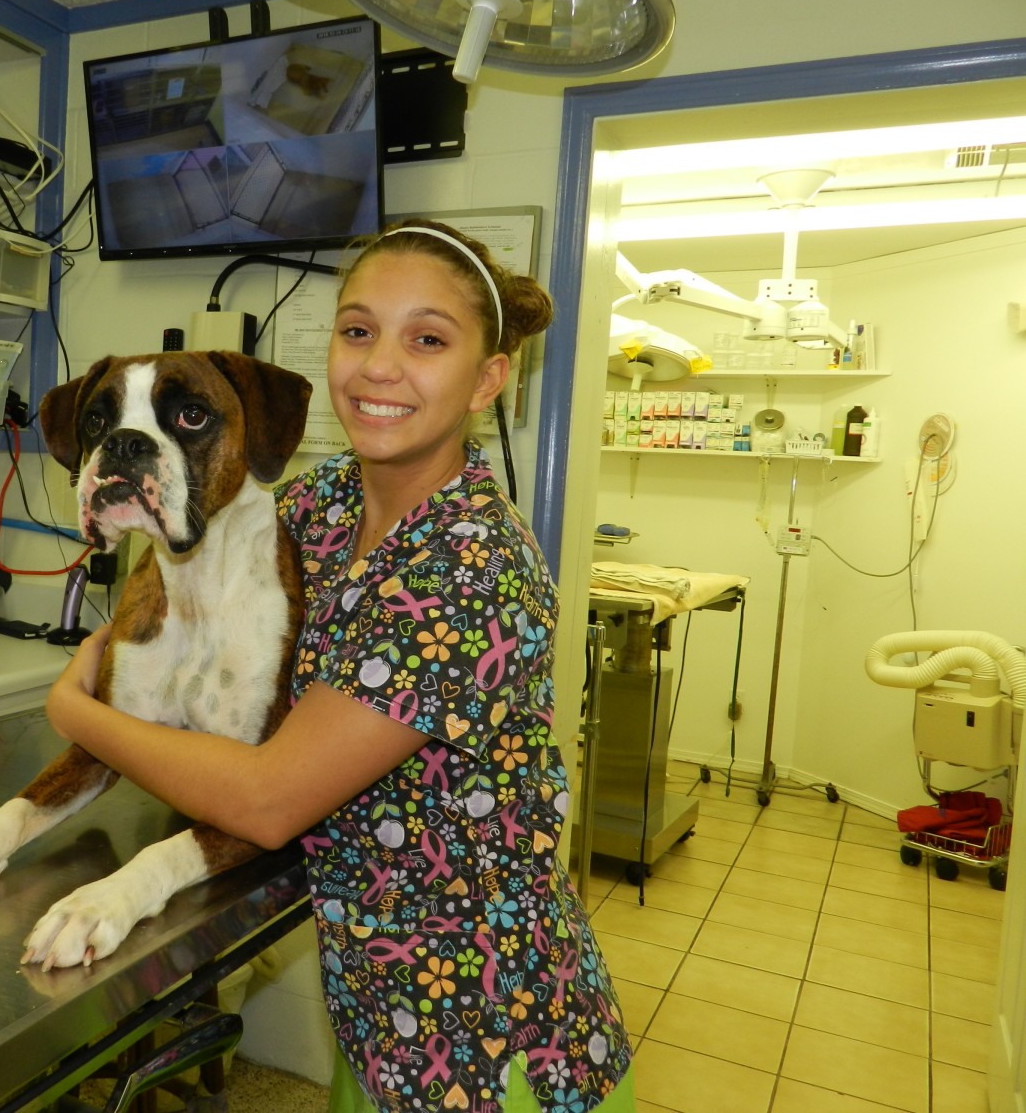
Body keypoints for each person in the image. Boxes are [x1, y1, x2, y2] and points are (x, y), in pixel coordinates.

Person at [46, 219, 634, 1113]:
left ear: (488, 380)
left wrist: (78, 709)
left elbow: (269, 800)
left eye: (426, 340)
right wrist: (110, 641)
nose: (378, 366)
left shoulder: (469, 567)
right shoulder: (320, 505)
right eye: (358, 331)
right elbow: (173, 555)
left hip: (494, 1041)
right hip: (377, 1014)